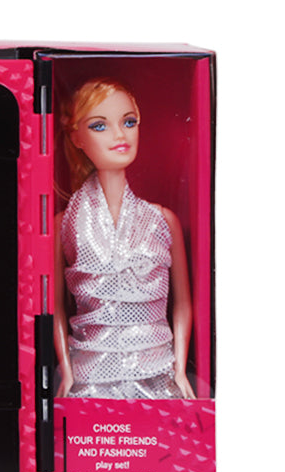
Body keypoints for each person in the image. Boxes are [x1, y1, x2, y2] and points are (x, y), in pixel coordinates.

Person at [54, 79, 194, 399]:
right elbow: (54, 308)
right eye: (100, 126)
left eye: (129, 122)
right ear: (76, 137)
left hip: (157, 371)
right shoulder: (66, 224)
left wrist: (179, 370)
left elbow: (183, 304)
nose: (120, 135)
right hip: (90, 375)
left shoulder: (162, 220)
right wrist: (66, 369)